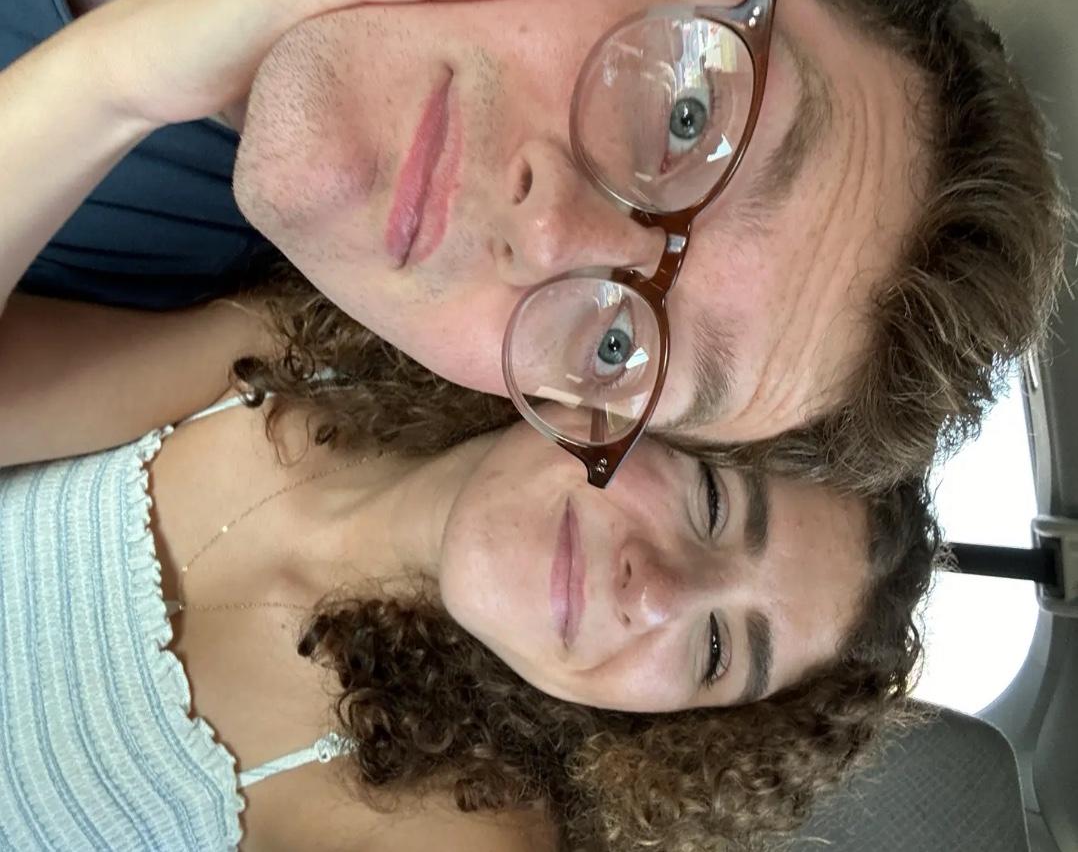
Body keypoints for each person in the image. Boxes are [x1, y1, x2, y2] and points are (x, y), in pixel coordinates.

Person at [3, 0, 1065, 493]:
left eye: (614, 347)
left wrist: (111, 83)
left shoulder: (185, 293)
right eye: (686, 120)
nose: (552, 237)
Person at [0, 296, 939, 852]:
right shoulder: (312, 354)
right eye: (712, 504)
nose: (657, 593)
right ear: (624, 395)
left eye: (717, 649)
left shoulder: (452, 825)